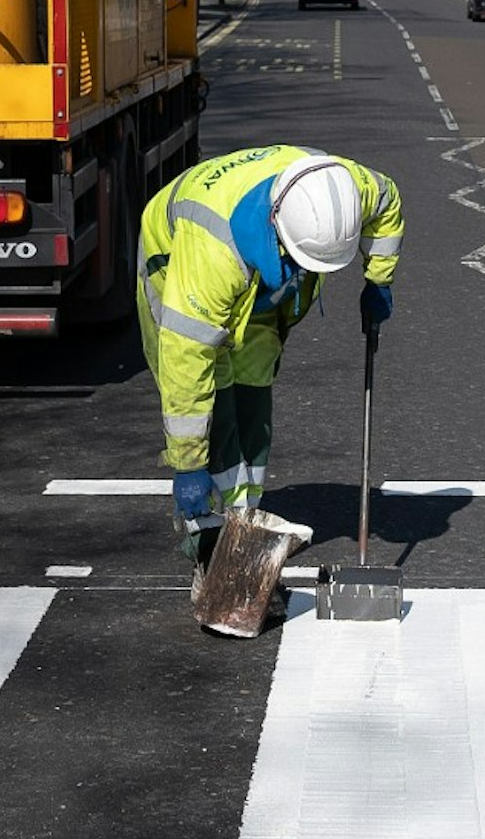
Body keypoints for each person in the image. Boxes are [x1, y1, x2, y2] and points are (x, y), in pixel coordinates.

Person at [139, 145, 406, 567]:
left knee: (254, 376)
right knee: (215, 393)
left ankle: (246, 514)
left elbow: (388, 203)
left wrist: (378, 279)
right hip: (175, 257)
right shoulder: (211, 255)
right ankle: (211, 530)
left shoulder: (349, 187)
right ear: (280, 233)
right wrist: (187, 464)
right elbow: (185, 362)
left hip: (260, 271)